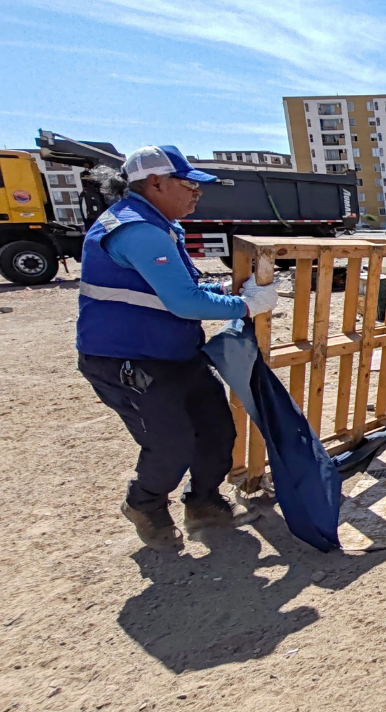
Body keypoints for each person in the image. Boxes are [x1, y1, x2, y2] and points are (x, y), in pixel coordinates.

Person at [77, 146, 280, 550]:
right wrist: (246, 304)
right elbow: (184, 303)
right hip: (129, 359)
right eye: (189, 185)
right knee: (172, 442)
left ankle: (204, 505)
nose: (196, 194)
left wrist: (223, 289)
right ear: (155, 183)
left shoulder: (161, 226)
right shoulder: (136, 230)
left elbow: (178, 290)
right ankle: (144, 505)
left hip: (175, 353)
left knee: (217, 433)